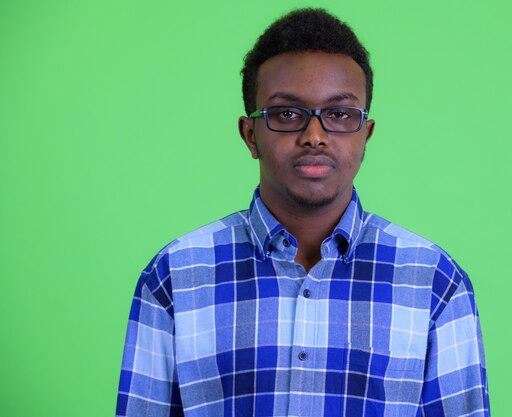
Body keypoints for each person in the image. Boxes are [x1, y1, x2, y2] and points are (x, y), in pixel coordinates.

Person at [116, 8, 490, 417]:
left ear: (365, 135)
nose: (315, 136)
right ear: (249, 134)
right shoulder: (176, 275)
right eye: (288, 114)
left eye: (340, 115)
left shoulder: (434, 281)